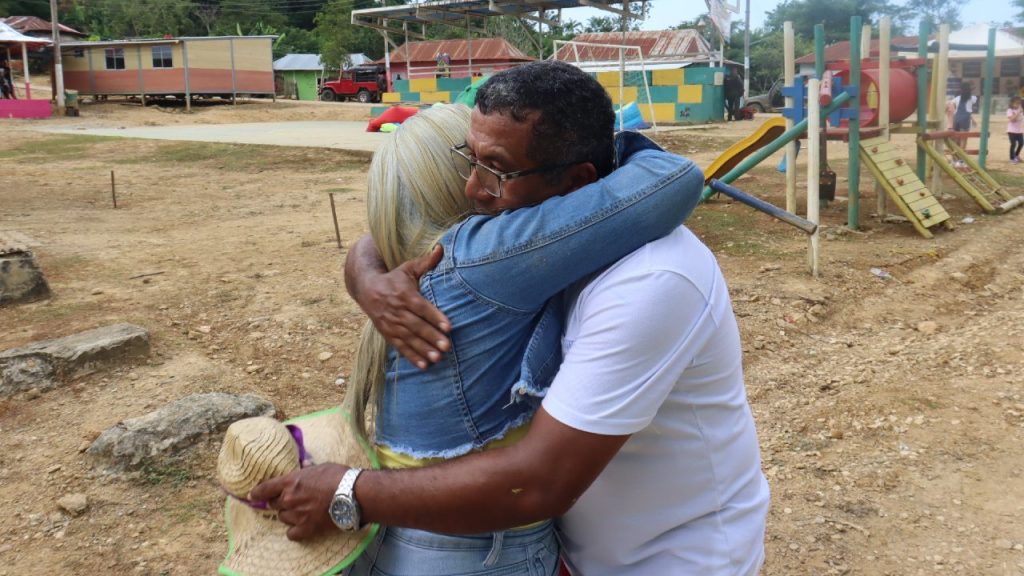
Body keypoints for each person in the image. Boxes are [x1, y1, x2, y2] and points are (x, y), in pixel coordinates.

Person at [254, 61, 768, 575]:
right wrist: (367, 274)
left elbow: (539, 482)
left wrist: (348, 490)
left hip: (671, 559)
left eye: (496, 170)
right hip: (574, 547)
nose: (472, 190)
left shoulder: (652, 281)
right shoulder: (539, 240)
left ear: (580, 182)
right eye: (467, 161)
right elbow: (415, 230)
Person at [948, 82, 978, 168]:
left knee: (955, 140)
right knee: (963, 140)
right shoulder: (972, 98)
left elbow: (951, 105)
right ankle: (960, 161)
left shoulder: (957, 98)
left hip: (956, 119)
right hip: (965, 120)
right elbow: (973, 100)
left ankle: (954, 160)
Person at [1007, 96, 1022, 164]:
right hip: (1011, 131)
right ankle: (1012, 158)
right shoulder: (1010, 110)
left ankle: (1016, 155)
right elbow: (1012, 120)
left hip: (1019, 131)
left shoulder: (1021, 110)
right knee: (1013, 144)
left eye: (1019, 103)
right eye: (1016, 103)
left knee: (1021, 143)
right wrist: (1018, 113)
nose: (1017, 105)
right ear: (1012, 103)